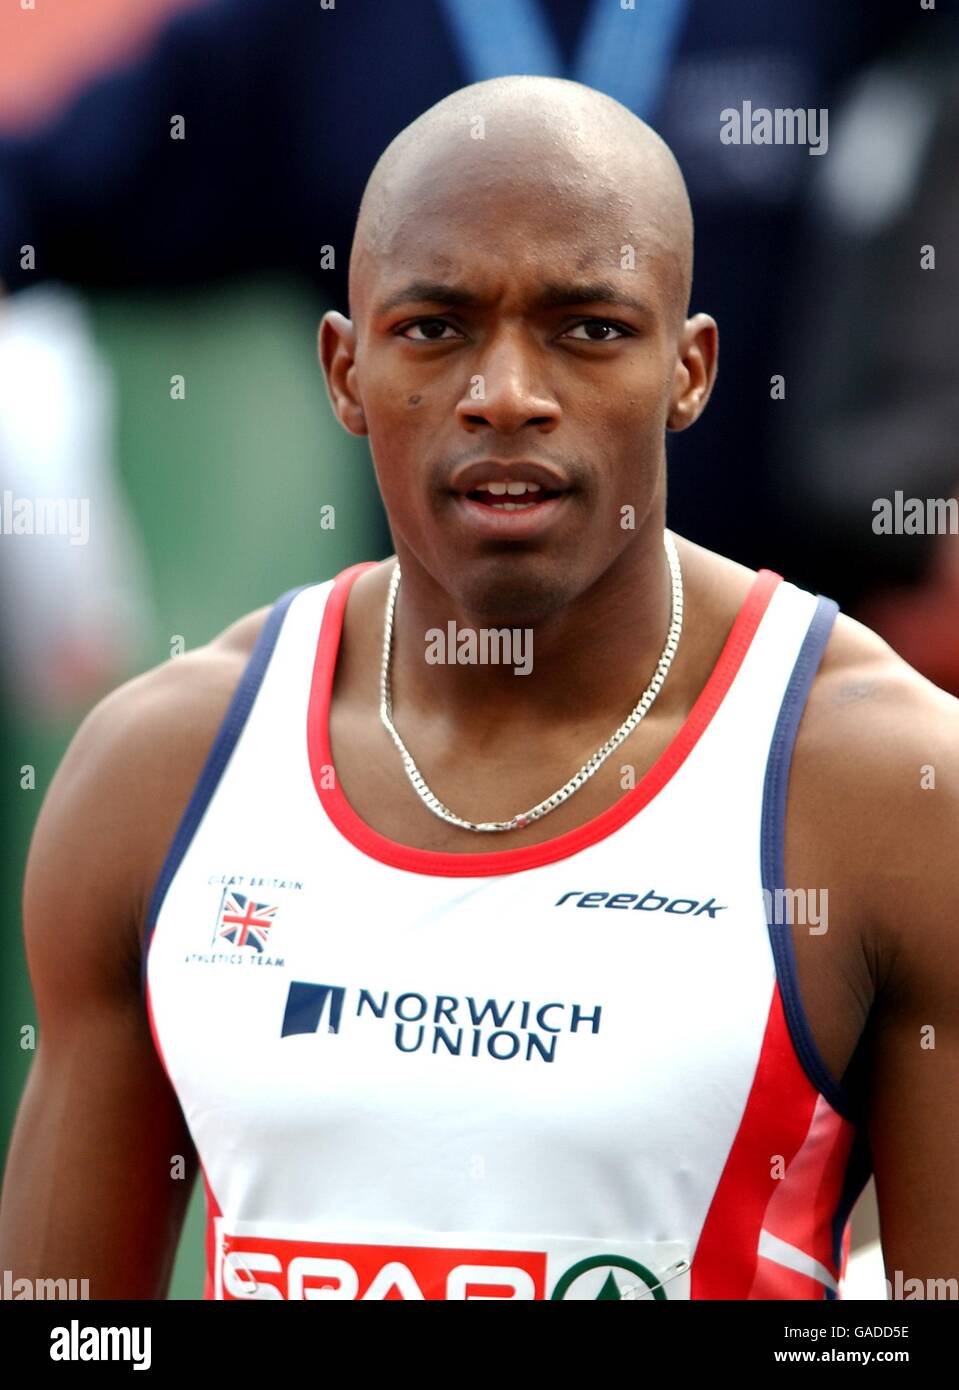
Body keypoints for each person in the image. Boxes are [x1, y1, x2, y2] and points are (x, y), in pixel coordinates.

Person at [1, 76, 956, 1302]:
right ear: (345, 373)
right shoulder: (157, 772)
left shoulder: (886, 789)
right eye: (435, 328)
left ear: (690, 369)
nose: (505, 392)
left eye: (587, 327)